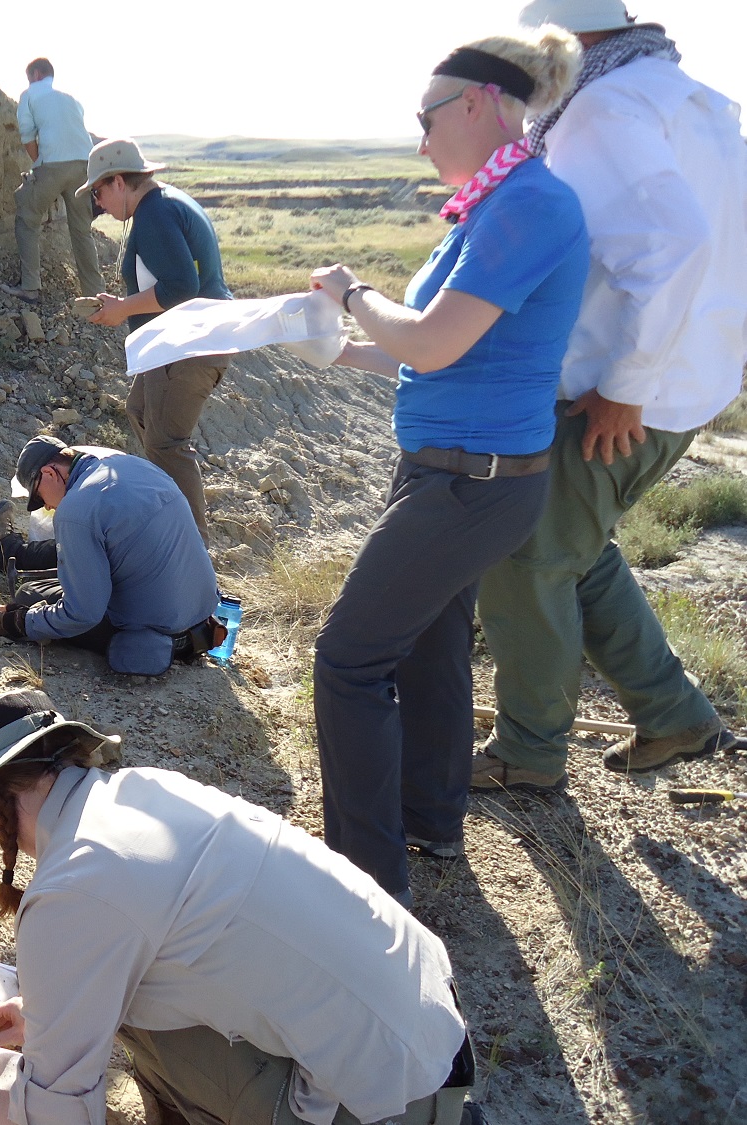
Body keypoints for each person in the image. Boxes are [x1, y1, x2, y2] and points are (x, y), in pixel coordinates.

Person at [0, 689, 478, 1125]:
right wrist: (47, 1014)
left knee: (131, 1022)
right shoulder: (146, 794)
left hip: (389, 1104)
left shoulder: (72, 888)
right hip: (432, 1041)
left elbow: (57, 1120)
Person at [306, 28, 589, 904]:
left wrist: (354, 291)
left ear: (477, 103)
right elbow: (439, 353)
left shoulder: (530, 205)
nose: (420, 140)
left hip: (474, 480)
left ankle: (363, 880)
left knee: (348, 661)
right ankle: (431, 822)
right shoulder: (489, 208)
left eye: (426, 118)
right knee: (429, 649)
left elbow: (429, 343)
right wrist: (334, 349)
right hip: (454, 471)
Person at [470, 0, 747, 790]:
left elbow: (674, 245)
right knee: (577, 551)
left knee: (527, 558)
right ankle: (676, 716)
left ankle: (526, 755)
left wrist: (624, 387)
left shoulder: (601, 106)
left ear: (569, 43)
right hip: (686, 379)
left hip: (621, 389)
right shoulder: (691, 99)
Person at [80, 138, 233, 540]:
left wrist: (123, 310)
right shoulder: (164, 204)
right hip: (182, 342)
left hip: (190, 345)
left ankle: (191, 549)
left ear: (117, 182)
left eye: (98, 193)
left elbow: (183, 286)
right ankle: (167, 518)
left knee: (167, 444)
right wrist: (124, 303)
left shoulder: (154, 213)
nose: (99, 204)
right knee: (141, 410)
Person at [0, 436, 220, 677]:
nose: (45, 507)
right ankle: (8, 550)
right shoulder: (134, 465)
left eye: (38, 496)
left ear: (49, 473)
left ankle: (6, 551)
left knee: (30, 593)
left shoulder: (75, 508)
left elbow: (82, 614)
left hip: (154, 641)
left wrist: (23, 622)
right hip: (201, 623)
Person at [1, 58, 105, 305]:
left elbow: (27, 136)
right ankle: (95, 294)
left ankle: (30, 287)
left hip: (53, 166)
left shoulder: (30, 94)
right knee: (82, 231)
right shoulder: (72, 99)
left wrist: (39, 165)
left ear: (36, 74)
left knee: (27, 215)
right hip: (84, 165)